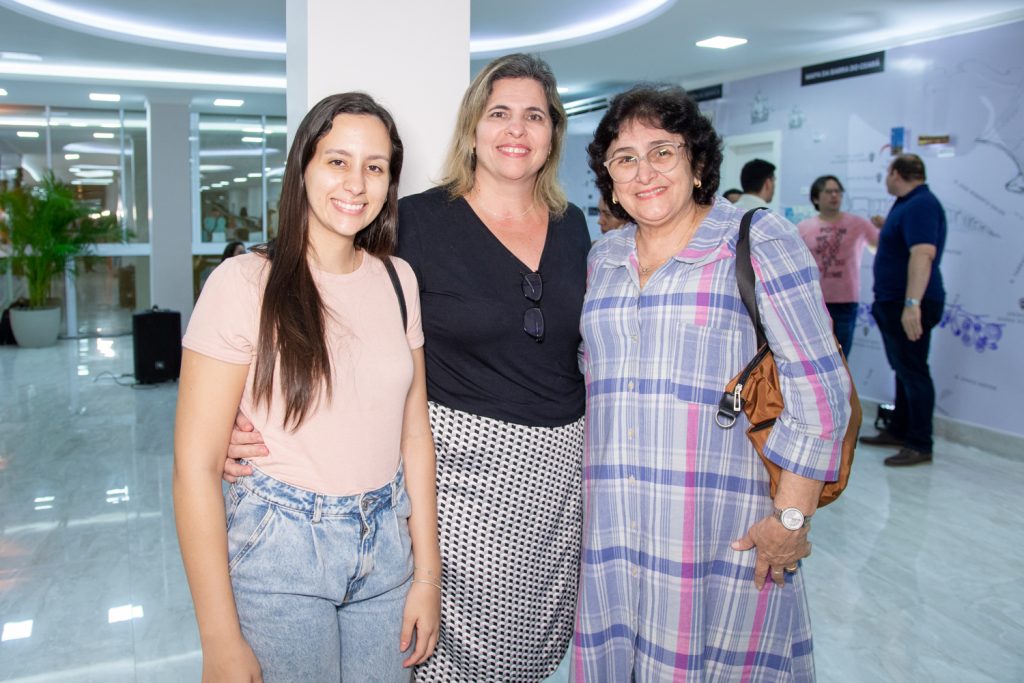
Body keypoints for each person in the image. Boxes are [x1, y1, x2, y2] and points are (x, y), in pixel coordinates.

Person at [223, 54, 591, 682]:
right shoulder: (416, 222)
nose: (516, 129)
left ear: (553, 132)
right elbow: (319, 276)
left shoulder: (574, 226)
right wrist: (234, 402)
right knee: (449, 654)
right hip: (460, 480)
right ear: (472, 127)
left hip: (559, 482)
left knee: (533, 654)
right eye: (499, 112)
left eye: (535, 116)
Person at [575, 84, 852, 681]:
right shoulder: (605, 258)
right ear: (609, 177)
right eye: (625, 158)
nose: (643, 171)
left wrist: (791, 520)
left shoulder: (755, 241)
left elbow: (821, 392)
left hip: (717, 535)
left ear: (697, 163)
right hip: (615, 532)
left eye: (662, 152)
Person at [174, 92, 440, 682]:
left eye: (375, 166)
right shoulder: (243, 283)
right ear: (303, 169)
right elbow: (193, 467)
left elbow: (414, 435)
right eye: (337, 161)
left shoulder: (399, 281)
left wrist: (427, 576)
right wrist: (219, 638)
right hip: (281, 550)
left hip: (386, 551)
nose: (356, 183)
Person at [859, 154, 946, 467]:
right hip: (895, 301)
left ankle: (920, 443)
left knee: (914, 372)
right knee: (904, 369)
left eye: (887, 173)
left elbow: (922, 255)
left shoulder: (921, 204)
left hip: (907, 303)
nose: (886, 179)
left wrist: (912, 304)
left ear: (896, 173)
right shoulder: (907, 205)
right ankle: (900, 430)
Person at [797, 175, 879, 355]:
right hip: (813, 300)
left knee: (841, 357)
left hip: (845, 301)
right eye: (828, 191)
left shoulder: (858, 224)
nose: (834, 195)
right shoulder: (803, 228)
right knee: (815, 355)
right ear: (816, 198)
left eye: (838, 191)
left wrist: (886, 227)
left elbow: (879, 246)